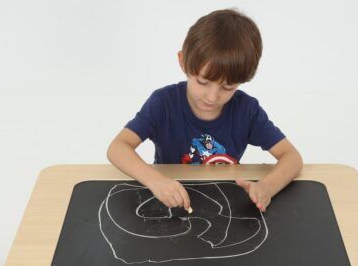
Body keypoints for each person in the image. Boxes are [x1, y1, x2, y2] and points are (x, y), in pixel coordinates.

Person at [107, 8, 303, 213]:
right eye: (203, 82)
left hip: (224, 204)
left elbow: (292, 158)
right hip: (169, 201)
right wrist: (155, 180)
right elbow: (118, 148)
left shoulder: (247, 111)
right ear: (182, 61)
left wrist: (267, 187)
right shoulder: (163, 103)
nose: (212, 97)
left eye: (227, 87)